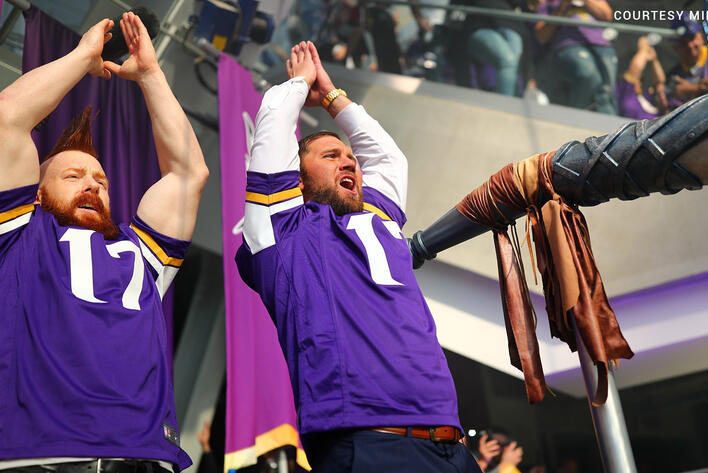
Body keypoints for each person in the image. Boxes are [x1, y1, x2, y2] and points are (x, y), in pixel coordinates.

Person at [235, 41, 481, 472]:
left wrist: (332, 96)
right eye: (331, 157)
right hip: (368, 442)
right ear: (296, 178)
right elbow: (272, 132)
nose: (349, 163)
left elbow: (388, 157)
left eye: (351, 158)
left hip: (451, 443)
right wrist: (299, 83)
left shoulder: (377, 217)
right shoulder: (283, 233)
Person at [0, 12, 208, 473]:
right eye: (72, 177)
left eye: (101, 179)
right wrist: (81, 57)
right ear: (35, 193)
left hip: (144, 459)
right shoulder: (17, 237)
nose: (91, 185)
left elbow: (188, 173)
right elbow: (7, 119)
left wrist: (151, 75)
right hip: (42, 457)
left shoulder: (140, 256)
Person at [534, 0, 618, 114]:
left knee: (607, 90)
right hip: (569, 44)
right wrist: (560, 9)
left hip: (602, 45)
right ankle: (576, 119)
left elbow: (607, 15)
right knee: (588, 74)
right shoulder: (548, 3)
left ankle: (608, 127)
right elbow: (542, 36)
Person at [666, 17, 708, 106]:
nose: (689, 45)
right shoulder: (674, 76)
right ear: (676, 48)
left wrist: (693, 89)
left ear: (701, 36)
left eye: (692, 38)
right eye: (683, 43)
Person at [615, 36, 668, 119]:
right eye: (638, 80)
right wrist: (643, 50)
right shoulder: (628, 95)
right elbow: (635, 71)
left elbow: (660, 82)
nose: (638, 82)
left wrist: (654, 60)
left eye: (640, 80)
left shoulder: (654, 105)